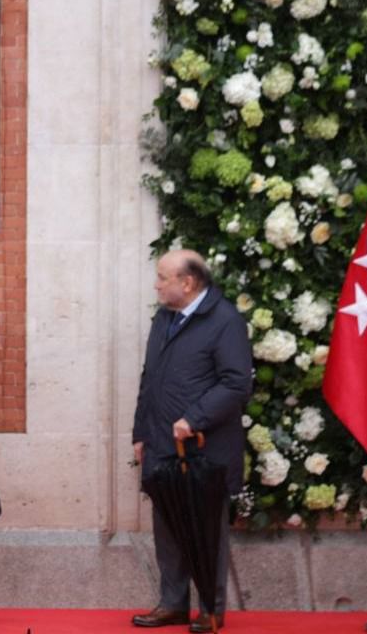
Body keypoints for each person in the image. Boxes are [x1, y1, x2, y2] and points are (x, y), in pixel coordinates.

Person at [131, 250, 252, 633]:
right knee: (167, 527)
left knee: (206, 532)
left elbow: (236, 384)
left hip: (203, 449)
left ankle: (211, 610)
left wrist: (194, 418)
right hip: (162, 445)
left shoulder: (224, 320)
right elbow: (150, 379)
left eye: (163, 277)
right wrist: (140, 432)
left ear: (188, 282)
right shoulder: (163, 318)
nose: (156, 284)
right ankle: (173, 603)